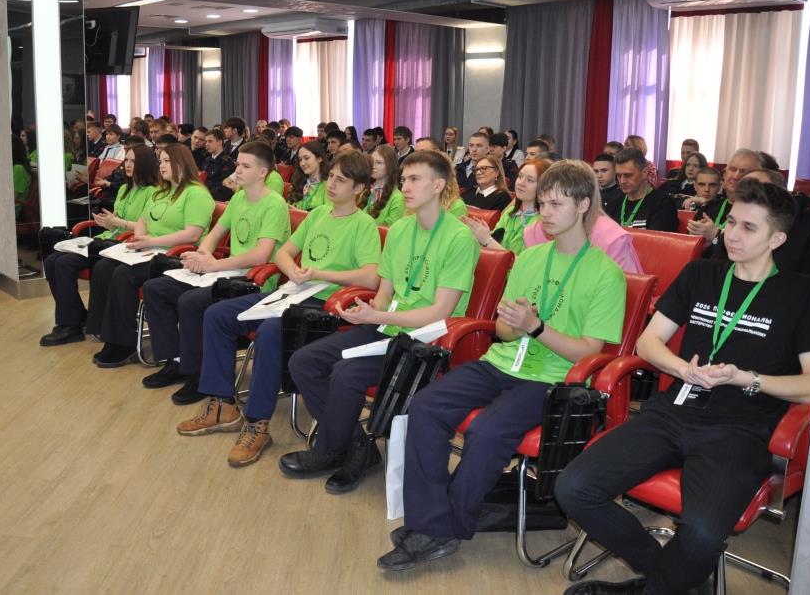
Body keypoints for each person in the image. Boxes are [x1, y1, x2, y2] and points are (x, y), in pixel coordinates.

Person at [556, 179, 810, 595]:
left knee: (700, 533)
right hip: (674, 410)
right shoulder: (702, 273)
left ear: (777, 239)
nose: (732, 234)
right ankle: (674, 579)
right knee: (573, 488)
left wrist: (747, 379)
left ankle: (649, 589)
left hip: (741, 428)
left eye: (748, 228)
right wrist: (682, 369)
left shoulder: (803, 294)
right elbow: (648, 342)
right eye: (731, 222)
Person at [377, 160, 626, 571]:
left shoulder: (606, 274)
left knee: (487, 431)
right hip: (502, 362)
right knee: (426, 405)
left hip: (551, 378)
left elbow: (587, 353)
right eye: (542, 204)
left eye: (556, 204)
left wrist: (535, 326)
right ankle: (434, 523)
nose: (545, 213)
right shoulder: (530, 258)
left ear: (583, 205)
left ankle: (441, 529)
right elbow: (502, 331)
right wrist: (515, 325)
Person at [278, 150, 480, 494]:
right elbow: (384, 293)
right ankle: (358, 446)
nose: (405, 188)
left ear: (438, 185)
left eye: (414, 180)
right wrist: (368, 311)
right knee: (304, 361)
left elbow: (440, 313)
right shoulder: (400, 229)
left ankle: (329, 450)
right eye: (403, 181)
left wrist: (380, 315)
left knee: (346, 374)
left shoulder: (459, 238)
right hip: (387, 327)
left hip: (424, 342)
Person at [177, 151, 382, 466]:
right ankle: (223, 405)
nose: (331, 184)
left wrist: (320, 274)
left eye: (341, 180)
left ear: (359, 189)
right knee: (218, 315)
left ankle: (257, 423)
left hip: (327, 303)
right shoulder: (318, 214)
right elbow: (284, 253)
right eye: (331, 176)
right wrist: (293, 270)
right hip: (294, 291)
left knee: (273, 330)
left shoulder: (363, 224)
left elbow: (370, 276)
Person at [140, 141, 291, 404]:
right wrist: (202, 255)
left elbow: (261, 255)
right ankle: (176, 360)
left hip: (253, 281)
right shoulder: (239, 198)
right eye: (238, 164)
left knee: (191, 302)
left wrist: (214, 265)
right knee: (157, 288)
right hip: (227, 273)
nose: (238, 170)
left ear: (263, 172)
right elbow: (215, 233)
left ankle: (198, 374)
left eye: (245, 166)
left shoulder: (274, 204)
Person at [86, 144, 215, 367]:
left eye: (167, 161)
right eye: (160, 161)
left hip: (175, 256)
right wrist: (140, 239)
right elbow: (143, 221)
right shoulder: (161, 191)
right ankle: (109, 336)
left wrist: (151, 242)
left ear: (182, 164)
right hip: (150, 251)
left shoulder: (196, 193)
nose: (161, 166)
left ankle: (124, 343)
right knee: (103, 267)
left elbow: (192, 234)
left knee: (123, 274)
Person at [39, 146, 157, 346]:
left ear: (145, 164)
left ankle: (70, 325)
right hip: (108, 237)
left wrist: (116, 222)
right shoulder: (124, 189)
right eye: (127, 160)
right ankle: (76, 317)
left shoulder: (153, 192)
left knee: (65, 263)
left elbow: (144, 226)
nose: (128, 165)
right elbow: (117, 222)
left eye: (133, 161)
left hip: (123, 244)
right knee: (51, 261)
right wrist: (107, 222)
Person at [463, 158, 547, 255]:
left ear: (544, 187)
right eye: (520, 176)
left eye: (530, 180)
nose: (521, 183)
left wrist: (487, 240)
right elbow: (495, 239)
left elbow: (525, 262)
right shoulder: (510, 212)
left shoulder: (544, 223)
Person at [686, 148, 762, 243]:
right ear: (725, 175)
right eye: (732, 169)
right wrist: (697, 236)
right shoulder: (709, 207)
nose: (736, 176)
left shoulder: (760, 214)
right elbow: (689, 242)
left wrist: (715, 235)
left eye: (743, 172)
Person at [604, 148, 678, 232]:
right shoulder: (613, 201)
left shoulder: (663, 204)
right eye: (618, 175)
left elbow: (654, 238)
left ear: (644, 173)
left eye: (628, 175)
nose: (622, 181)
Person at [362, 144, 406, 227]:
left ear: (390, 166)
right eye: (372, 162)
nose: (373, 166)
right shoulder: (367, 191)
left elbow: (390, 230)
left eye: (379, 163)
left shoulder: (397, 198)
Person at [289, 140, 330, 210]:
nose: (302, 163)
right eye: (300, 160)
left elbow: (329, 213)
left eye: (306, 158)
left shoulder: (329, 185)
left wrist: (301, 213)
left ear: (319, 158)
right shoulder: (298, 182)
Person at [201, 129, 236, 201]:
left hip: (215, 198)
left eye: (210, 141)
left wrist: (206, 195)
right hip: (203, 194)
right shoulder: (206, 160)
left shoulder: (228, 162)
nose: (207, 144)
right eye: (206, 141)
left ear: (219, 142)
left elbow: (225, 187)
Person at [454, 132, 490, 197]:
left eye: (479, 146)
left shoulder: (491, 171)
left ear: (487, 149)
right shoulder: (458, 168)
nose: (474, 149)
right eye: (471, 145)